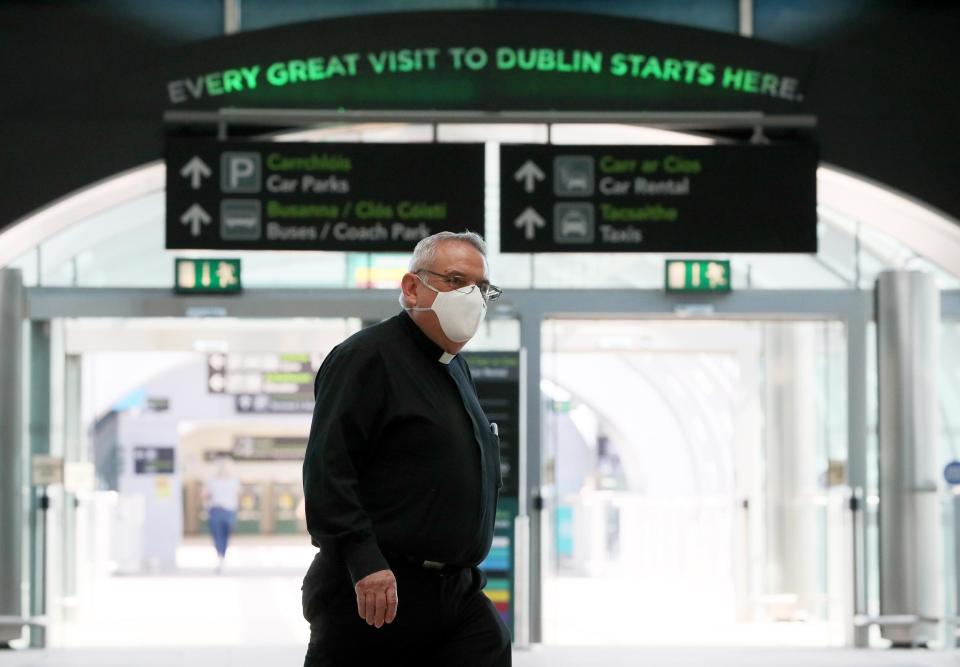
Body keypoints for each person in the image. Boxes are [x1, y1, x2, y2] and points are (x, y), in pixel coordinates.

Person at [301, 231, 510, 666]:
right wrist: (363, 559)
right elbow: (329, 469)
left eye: (481, 287)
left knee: (490, 644)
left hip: (457, 591)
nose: (472, 296)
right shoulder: (366, 358)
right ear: (412, 288)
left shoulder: (455, 368)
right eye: (455, 280)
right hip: (380, 589)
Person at [203, 454, 240, 574]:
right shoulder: (211, 480)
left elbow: (237, 495)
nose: (223, 468)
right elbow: (205, 494)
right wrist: (207, 505)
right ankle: (220, 558)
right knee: (217, 536)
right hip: (216, 510)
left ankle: (222, 556)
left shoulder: (234, 480)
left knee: (226, 535)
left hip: (229, 511)